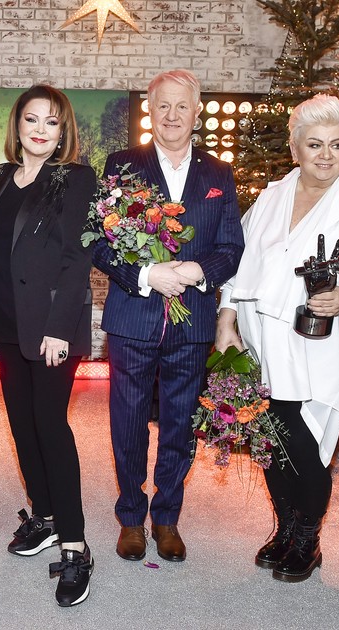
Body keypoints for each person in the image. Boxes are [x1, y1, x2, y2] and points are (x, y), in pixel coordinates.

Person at [215, 94, 339, 583]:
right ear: (294, 148)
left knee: (302, 441)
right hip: (262, 337)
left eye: (337, 145)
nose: (326, 155)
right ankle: (285, 528)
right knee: (269, 435)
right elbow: (238, 262)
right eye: (315, 144)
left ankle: (308, 537)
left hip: (320, 345)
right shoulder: (272, 197)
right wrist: (226, 320)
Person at [93, 69, 244, 563]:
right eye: (163, 106)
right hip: (132, 317)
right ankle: (131, 517)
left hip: (192, 320)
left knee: (180, 424)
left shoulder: (219, 173)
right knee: (128, 423)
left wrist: (198, 270)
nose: (172, 115)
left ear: (197, 113)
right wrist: (146, 273)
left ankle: (167, 518)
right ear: (150, 111)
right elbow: (100, 244)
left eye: (182, 106)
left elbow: (231, 248)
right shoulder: (122, 165)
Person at [0, 85, 97, 606]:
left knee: (50, 426)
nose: (41, 129)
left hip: (50, 328)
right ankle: (45, 515)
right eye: (32, 119)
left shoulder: (76, 178)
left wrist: (60, 328)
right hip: (6, 323)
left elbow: (77, 258)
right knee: (22, 425)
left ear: (63, 132)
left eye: (52, 121)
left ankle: (76, 546)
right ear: (17, 125)